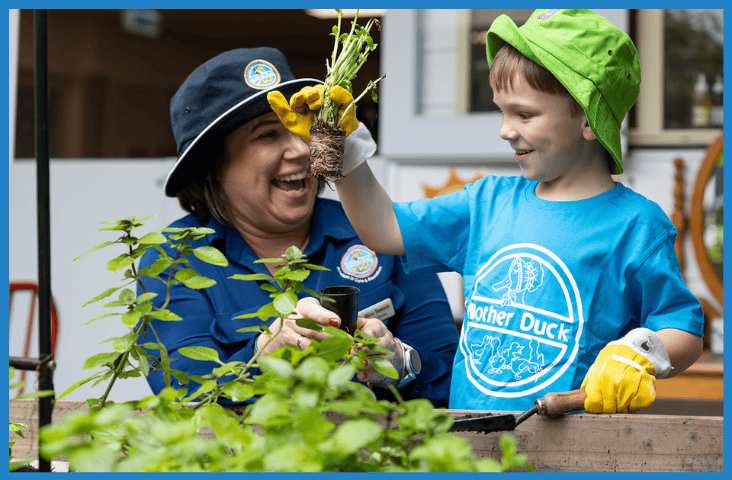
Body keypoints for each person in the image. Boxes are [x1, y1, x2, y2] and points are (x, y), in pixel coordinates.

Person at [269, 10, 704, 413]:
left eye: (524, 114)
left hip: (574, 454)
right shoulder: (486, 203)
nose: (504, 130)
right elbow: (383, 228)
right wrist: (344, 148)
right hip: (470, 448)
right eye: (501, 112)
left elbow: (684, 329)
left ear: (589, 118)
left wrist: (638, 353)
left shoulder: (638, 226)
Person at [136, 47, 459, 407]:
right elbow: (182, 401)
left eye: (300, 127)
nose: (302, 149)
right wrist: (262, 355)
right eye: (268, 135)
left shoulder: (379, 233)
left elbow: (451, 379)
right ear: (212, 166)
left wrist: (400, 362)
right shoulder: (173, 260)